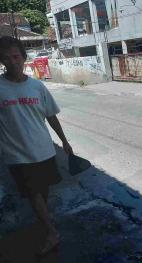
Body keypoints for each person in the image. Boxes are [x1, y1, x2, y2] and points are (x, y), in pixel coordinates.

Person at [0, 36, 73, 255]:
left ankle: (44, 220)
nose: (12, 62)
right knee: (33, 194)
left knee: (42, 192)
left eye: (15, 56)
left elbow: (51, 116)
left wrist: (64, 141)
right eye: (6, 58)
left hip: (44, 151)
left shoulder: (37, 86)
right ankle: (51, 231)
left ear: (23, 57)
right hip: (17, 154)